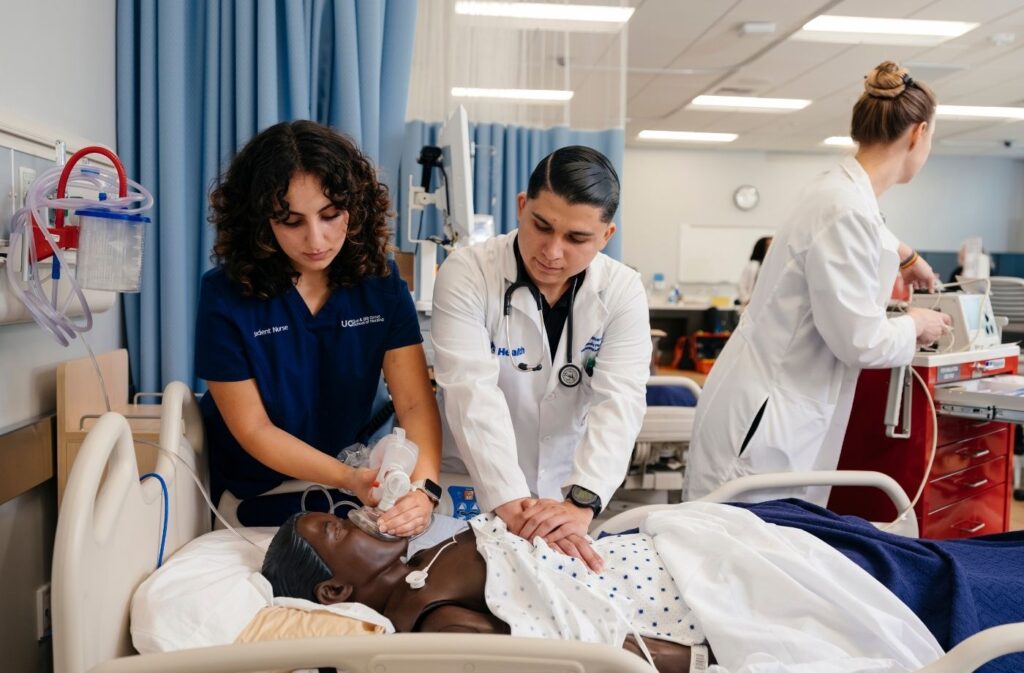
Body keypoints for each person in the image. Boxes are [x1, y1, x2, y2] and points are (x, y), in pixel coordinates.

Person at [261, 503, 1024, 673]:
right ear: (333, 592)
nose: (352, 516)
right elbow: (592, 647)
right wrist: (707, 665)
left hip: (715, 544)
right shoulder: (433, 622)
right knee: (952, 582)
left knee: (927, 553)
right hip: (721, 595)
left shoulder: (434, 555)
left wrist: (530, 516)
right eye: (333, 529)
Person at [683, 61, 953, 505]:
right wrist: (916, 324)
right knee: (736, 554)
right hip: (765, 419)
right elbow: (858, 342)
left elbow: (866, 232)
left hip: (768, 402)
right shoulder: (845, 208)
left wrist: (909, 258)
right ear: (918, 134)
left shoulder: (838, 191)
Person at [195, 120, 442, 532]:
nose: (317, 239)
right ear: (260, 221)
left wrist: (424, 490)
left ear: (356, 208)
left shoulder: (379, 285)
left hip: (351, 492)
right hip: (254, 495)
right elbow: (254, 429)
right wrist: (347, 477)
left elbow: (414, 403)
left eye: (331, 215)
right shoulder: (226, 296)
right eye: (291, 221)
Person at [430, 146, 651, 570]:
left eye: (576, 238)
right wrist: (513, 505)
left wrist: (580, 504)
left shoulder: (622, 291)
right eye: (541, 226)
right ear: (521, 206)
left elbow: (618, 403)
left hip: (566, 500)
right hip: (477, 486)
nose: (552, 251)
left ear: (606, 236)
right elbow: (471, 393)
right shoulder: (469, 272)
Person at [736, 235, 772, 306]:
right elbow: (741, 285)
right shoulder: (752, 266)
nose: (771, 249)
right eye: (768, 246)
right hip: (751, 305)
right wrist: (747, 300)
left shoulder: (774, 265)